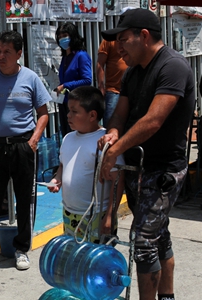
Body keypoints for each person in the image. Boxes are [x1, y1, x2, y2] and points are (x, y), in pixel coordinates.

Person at [99, 8, 196, 300]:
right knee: (158, 236)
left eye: (123, 39)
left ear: (143, 37)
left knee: (142, 242)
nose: (118, 47)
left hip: (163, 170)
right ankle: (167, 296)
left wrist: (115, 149)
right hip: (138, 168)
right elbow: (120, 114)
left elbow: (154, 120)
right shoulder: (131, 74)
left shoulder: (173, 66)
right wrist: (113, 132)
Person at [0, 30, 50, 270]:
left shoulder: (31, 78)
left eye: (7, 51)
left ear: (19, 53)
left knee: (25, 199)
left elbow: (44, 114)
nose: (1, 56)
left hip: (22, 145)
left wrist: (34, 140)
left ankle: (21, 249)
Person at [47, 86, 124, 243]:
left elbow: (118, 181)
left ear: (92, 115)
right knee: (75, 258)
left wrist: (109, 215)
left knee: (95, 262)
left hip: (96, 215)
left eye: (74, 111)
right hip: (69, 213)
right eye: (69, 110)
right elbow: (63, 165)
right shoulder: (68, 138)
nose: (68, 115)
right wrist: (57, 179)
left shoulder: (105, 142)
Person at [55, 22, 92, 137]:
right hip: (64, 102)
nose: (62, 39)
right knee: (67, 135)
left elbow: (87, 80)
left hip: (78, 103)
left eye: (65, 35)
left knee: (77, 134)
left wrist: (66, 85)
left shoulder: (81, 55)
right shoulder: (65, 57)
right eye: (60, 36)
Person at [96, 39, 128, 126]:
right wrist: (101, 86)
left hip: (132, 90)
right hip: (114, 90)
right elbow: (100, 63)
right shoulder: (108, 40)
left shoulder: (133, 39)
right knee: (111, 122)